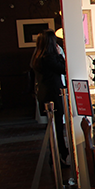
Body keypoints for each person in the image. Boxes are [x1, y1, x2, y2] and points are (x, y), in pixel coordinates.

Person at [30, 30, 70, 166]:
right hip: (53, 94)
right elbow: (64, 68)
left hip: (45, 94)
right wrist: (60, 55)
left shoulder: (37, 57)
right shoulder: (49, 57)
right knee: (57, 127)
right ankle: (60, 155)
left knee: (53, 126)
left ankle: (57, 155)